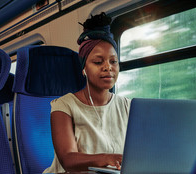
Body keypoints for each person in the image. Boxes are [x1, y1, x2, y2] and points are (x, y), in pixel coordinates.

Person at [43, 12, 131, 173]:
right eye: (98, 62)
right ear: (84, 68)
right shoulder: (64, 105)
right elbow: (68, 159)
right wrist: (108, 158)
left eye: (113, 61)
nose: (108, 67)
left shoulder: (127, 105)